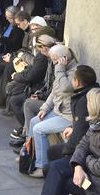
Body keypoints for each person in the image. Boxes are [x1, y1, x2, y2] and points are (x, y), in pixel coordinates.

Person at [24, 44, 79, 176]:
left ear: (64, 58)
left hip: (68, 116)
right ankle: (29, 156)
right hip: (58, 110)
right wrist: (45, 108)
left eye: (55, 60)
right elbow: (54, 91)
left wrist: (59, 68)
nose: (54, 64)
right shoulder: (61, 69)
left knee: (38, 129)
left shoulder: (75, 72)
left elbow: (66, 87)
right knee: (33, 121)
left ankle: (42, 167)